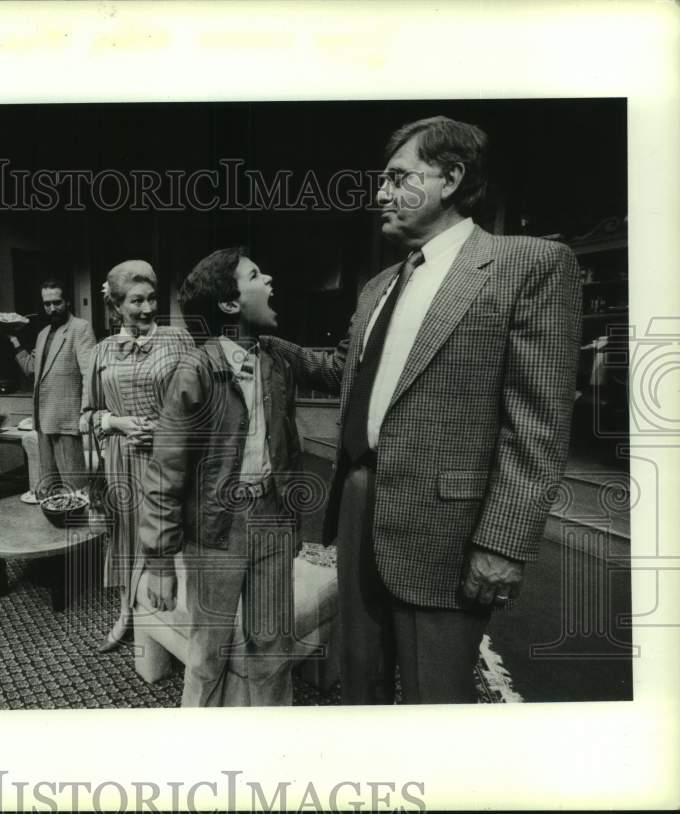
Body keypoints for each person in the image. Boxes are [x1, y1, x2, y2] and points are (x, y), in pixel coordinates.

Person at [264, 116, 582, 704]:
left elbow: (536, 426)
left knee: (436, 696)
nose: (380, 194)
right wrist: (260, 339)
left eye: (397, 178)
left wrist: (504, 544)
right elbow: (346, 372)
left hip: (448, 526)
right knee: (359, 676)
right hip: (357, 501)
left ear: (451, 177)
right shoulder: (379, 284)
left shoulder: (527, 265)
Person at [140, 248, 303, 707]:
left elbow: (285, 448)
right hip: (216, 530)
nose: (269, 279)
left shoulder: (275, 360)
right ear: (230, 305)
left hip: (272, 518)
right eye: (255, 274)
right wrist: (158, 561)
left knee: (272, 648)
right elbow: (164, 473)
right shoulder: (195, 371)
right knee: (209, 652)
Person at [81, 260, 195, 652]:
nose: (146, 309)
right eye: (135, 301)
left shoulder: (179, 340)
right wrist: (117, 422)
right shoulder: (99, 353)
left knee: (168, 533)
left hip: (167, 459)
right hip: (120, 460)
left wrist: (161, 429)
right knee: (127, 536)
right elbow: (87, 416)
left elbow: (199, 406)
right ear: (115, 307)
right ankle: (127, 612)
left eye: (151, 299)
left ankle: (176, 617)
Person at [9, 280, 95, 500]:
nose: (52, 308)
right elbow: (32, 371)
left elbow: (89, 372)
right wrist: (14, 341)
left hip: (67, 417)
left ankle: (81, 529)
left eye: (57, 302)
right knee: (51, 489)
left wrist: (86, 410)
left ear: (67, 301)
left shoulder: (80, 328)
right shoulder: (43, 333)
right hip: (43, 418)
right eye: (47, 304)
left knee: (75, 489)